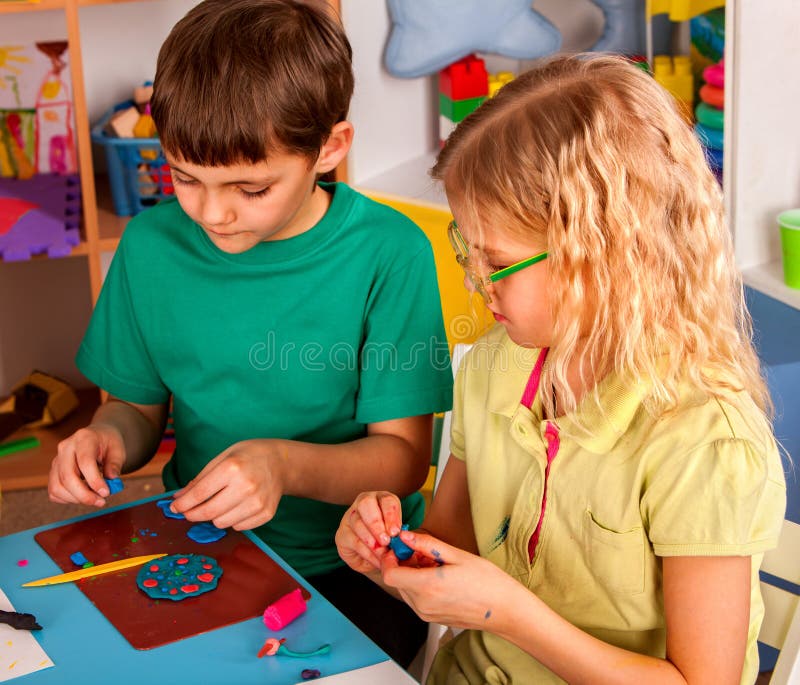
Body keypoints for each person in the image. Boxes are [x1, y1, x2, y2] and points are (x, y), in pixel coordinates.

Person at [336, 53, 787, 684]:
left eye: (496, 262)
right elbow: (447, 548)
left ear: (605, 254)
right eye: (468, 251)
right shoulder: (493, 366)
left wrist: (509, 613)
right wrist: (388, 552)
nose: (475, 283)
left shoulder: (703, 439)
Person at [48, 0, 453, 667]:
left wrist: (281, 463)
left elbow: (403, 458)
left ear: (329, 148)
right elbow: (135, 411)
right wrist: (106, 438)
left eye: (250, 187)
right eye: (184, 177)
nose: (213, 211)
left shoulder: (390, 253)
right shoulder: (151, 246)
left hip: (356, 563)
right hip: (197, 541)